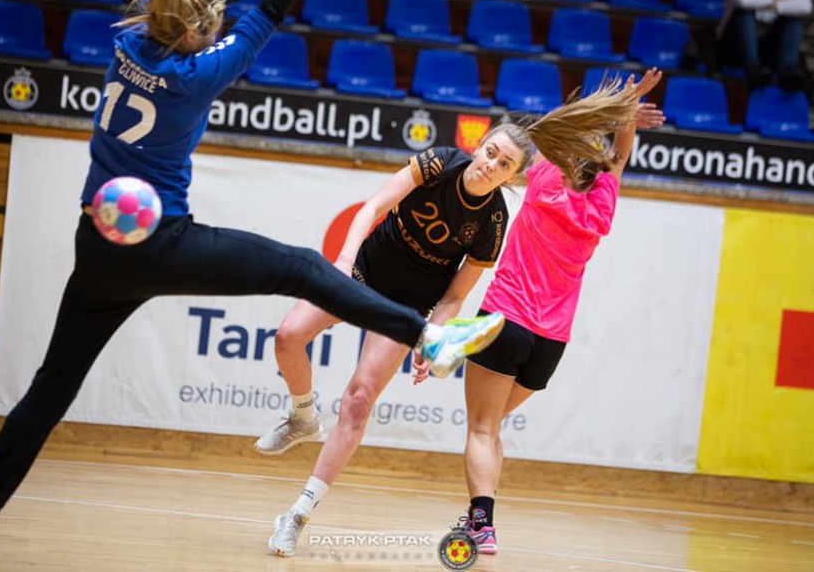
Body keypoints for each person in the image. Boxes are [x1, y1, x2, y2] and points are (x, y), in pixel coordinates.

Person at [0, 0, 507, 571]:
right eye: (209, 23)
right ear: (194, 34)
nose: (218, 23)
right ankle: (425, 335)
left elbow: (202, 0)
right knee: (299, 268)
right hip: (162, 244)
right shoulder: (198, 76)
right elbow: (268, 4)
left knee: (50, 390)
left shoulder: (130, 43)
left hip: (98, 246)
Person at [262, 74, 665, 558]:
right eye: (491, 152)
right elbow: (613, 163)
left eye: (506, 163)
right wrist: (623, 118)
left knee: (402, 410)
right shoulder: (590, 198)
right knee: (291, 337)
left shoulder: (514, 205)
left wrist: (429, 336)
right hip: (512, 326)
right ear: (478, 148)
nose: (493, 164)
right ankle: (306, 417)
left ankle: (305, 514)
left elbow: (456, 294)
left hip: (453, 314)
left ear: (524, 172)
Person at [413, 69, 667, 556]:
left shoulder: (546, 178)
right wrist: (627, 118)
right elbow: (617, 159)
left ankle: (483, 525)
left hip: (506, 321)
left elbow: (559, 126)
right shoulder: (601, 206)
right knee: (492, 431)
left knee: (481, 431)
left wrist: (622, 105)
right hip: (550, 345)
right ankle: (477, 519)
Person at [719, 0, 813, 91]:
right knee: (745, 12)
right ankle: (753, 68)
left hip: (767, 49)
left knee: (794, 19)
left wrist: (775, 6)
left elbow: (806, 5)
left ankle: (788, 71)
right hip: (735, 47)